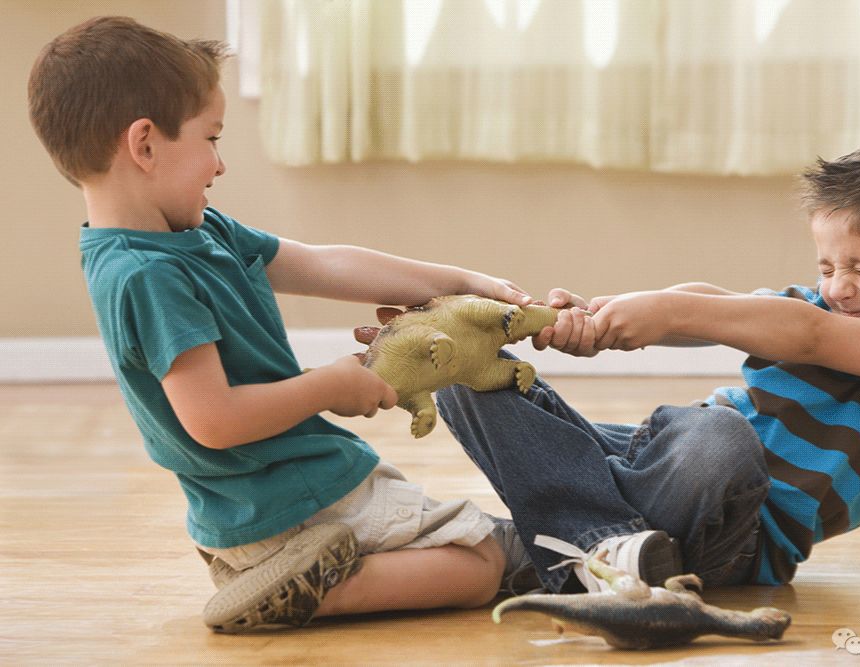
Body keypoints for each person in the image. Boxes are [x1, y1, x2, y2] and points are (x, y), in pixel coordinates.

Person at [27, 16, 537, 633]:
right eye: (211, 139)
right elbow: (213, 421)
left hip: (251, 511)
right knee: (481, 560)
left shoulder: (200, 233)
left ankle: (268, 572)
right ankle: (314, 589)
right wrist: (332, 385)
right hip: (288, 499)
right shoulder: (145, 275)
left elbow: (325, 264)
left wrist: (457, 281)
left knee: (474, 535)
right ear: (144, 144)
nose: (219, 165)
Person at [437, 129, 860, 593]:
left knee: (720, 438)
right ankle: (603, 551)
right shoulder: (821, 304)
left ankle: (564, 541)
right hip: (655, 472)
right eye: (826, 267)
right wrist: (610, 314)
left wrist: (671, 312)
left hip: (737, 530)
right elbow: (728, 304)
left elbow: (807, 335)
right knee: (465, 368)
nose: (839, 288)